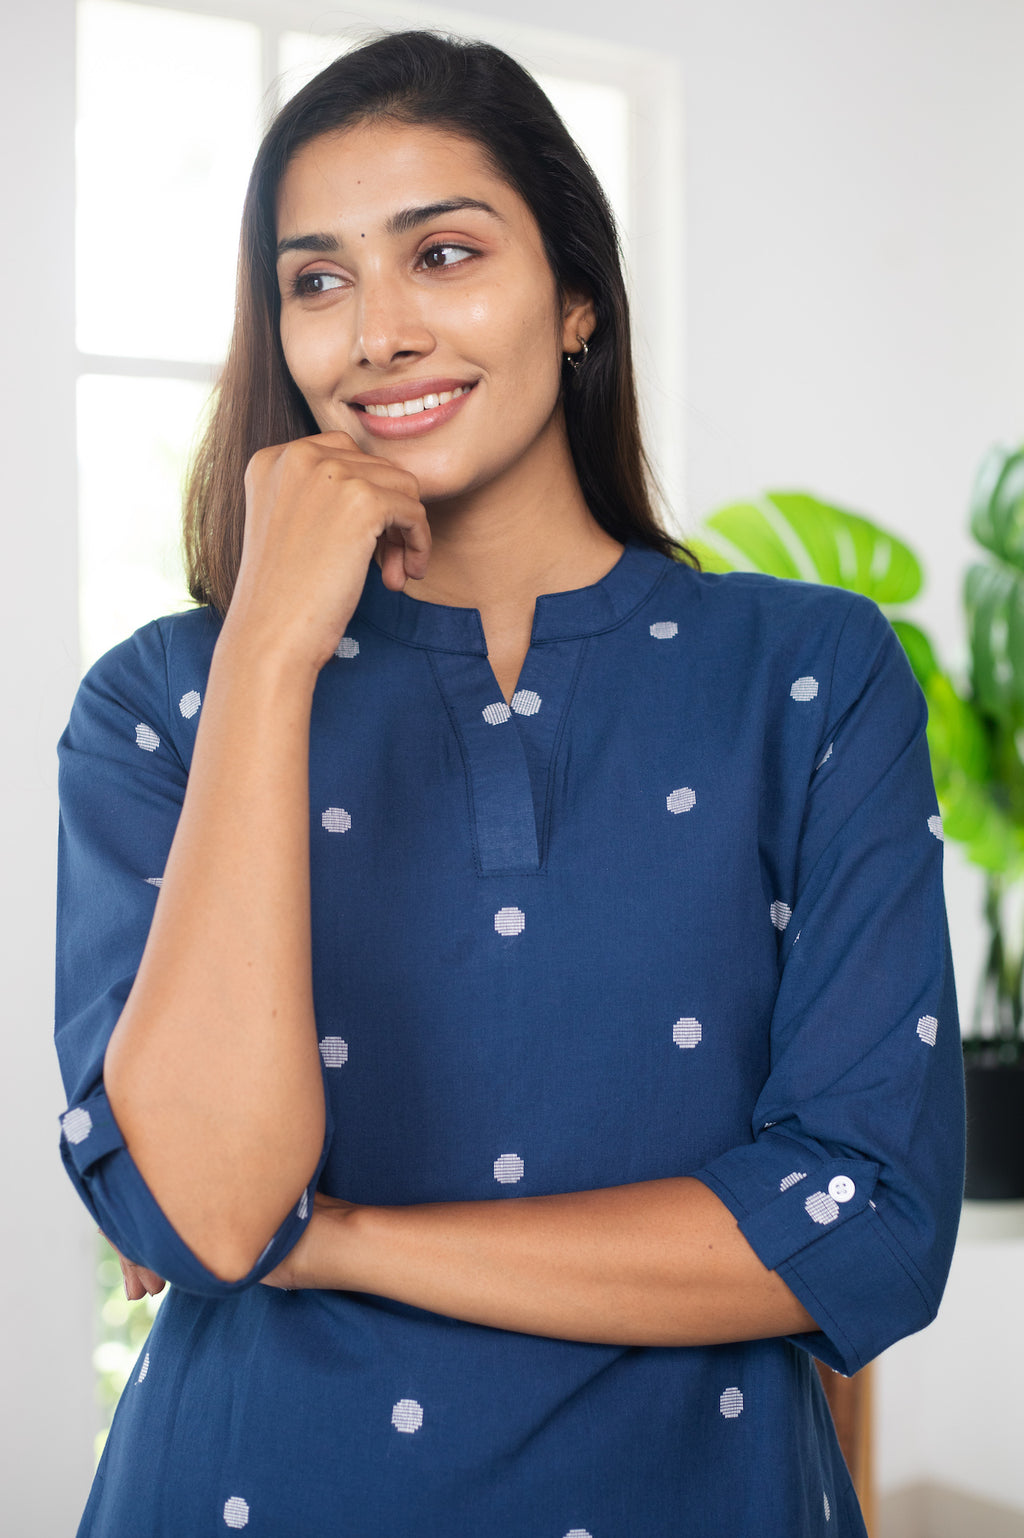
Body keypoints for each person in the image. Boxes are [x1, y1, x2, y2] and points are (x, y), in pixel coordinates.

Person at [54, 29, 965, 1538]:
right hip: (252, 1489)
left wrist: (338, 1240)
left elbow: (859, 1222)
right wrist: (274, 648)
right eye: (319, 280)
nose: (378, 333)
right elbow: (208, 1210)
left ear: (579, 295)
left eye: (446, 254)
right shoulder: (165, 701)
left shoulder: (810, 672)